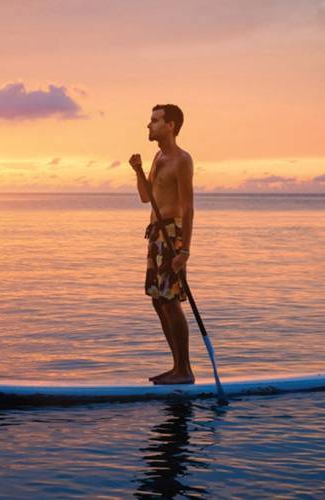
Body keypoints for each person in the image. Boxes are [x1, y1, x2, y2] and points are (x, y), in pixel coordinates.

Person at [129, 104, 195, 385]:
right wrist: (138, 170)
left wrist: (184, 251)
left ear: (171, 125)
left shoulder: (182, 160)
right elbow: (146, 197)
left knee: (170, 301)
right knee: (159, 300)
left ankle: (185, 369)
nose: (149, 125)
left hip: (172, 233)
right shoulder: (157, 157)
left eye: (155, 121)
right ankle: (176, 367)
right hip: (156, 233)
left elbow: (189, 208)